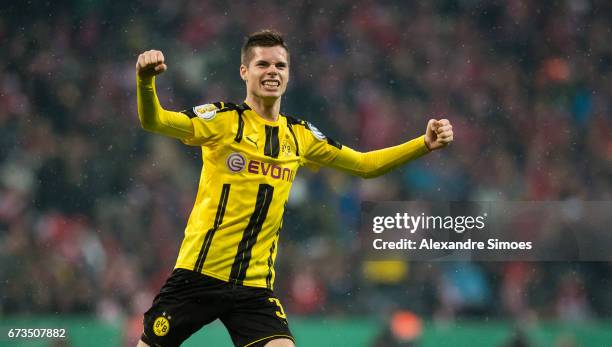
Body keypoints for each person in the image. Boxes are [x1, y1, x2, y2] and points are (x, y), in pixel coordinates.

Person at [135, 30, 453, 347]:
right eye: (262, 64)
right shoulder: (222, 120)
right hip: (198, 276)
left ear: (288, 75)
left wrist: (423, 144)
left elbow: (365, 165)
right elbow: (156, 121)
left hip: (253, 288)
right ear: (244, 72)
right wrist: (146, 82)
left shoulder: (299, 136)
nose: (272, 71)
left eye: (280, 66)